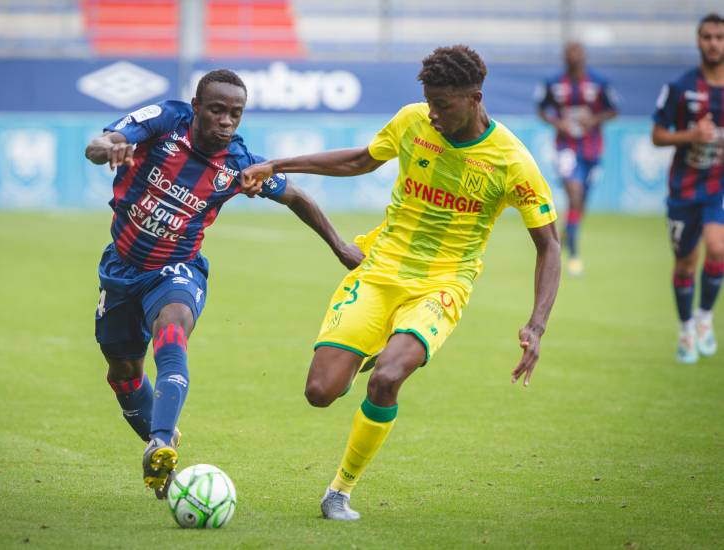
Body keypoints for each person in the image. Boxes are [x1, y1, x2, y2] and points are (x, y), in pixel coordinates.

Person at [241, 45, 561, 520]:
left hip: (442, 286)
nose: (432, 115)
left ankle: (340, 491)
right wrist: (278, 164)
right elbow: (360, 161)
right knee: (320, 393)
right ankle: (368, 350)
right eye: (428, 102)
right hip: (379, 270)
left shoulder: (512, 161)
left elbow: (550, 245)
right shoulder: (413, 121)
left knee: (389, 378)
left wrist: (536, 325)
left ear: (475, 98)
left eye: (443, 105)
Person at [84, 69, 363, 498]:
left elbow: (296, 197)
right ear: (197, 107)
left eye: (235, 113)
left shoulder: (239, 163)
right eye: (217, 110)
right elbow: (98, 144)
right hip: (120, 268)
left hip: (176, 268)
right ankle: (164, 438)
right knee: (122, 373)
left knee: (172, 330)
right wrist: (110, 146)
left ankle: (159, 442)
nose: (226, 121)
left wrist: (340, 245)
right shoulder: (166, 120)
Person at [652, 12, 724, 364]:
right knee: (685, 263)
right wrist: (692, 135)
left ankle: (705, 319)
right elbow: (657, 135)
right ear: (698, 41)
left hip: (718, 188)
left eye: (719, 37)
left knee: (718, 248)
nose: (713, 43)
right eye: (708, 36)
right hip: (684, 190)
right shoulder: (680, 88)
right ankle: (685, 330)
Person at [536, 41, 618, 277]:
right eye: (569, 52)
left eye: (577, 52)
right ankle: (574, 257)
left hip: (592, 150)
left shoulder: (598, 82)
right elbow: (541, 108)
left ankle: (560, 241)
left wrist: (593, 121)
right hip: (565, 148)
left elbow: (613, 109)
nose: (574, 56)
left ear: (584, 56)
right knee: (574, 194)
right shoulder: (553, 83)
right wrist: (557, 122)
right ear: (564, 56)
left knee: (580, 205)